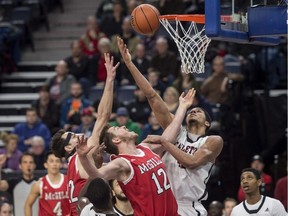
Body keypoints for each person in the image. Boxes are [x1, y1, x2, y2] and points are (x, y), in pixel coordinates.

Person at [117, 36, 223, 216]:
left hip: (189, 207)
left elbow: (191, 162)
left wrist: (164, 142)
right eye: (191, 110)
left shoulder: (213, 140)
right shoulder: (176, 131)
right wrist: (130, 64)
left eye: (198, 110)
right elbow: (151, 95)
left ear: (207, 122)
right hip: (163, 204)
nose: (193, 111)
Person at [50, 53, 119, 216]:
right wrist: (109, 80)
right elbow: (103, 117)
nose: (78, 134)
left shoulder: (71, 170)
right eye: (72, 136)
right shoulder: (81, 157)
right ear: (68, 147)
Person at [76, 125, 179, 216]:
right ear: (116, 140)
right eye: (118, 128)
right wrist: (83, 157)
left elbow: (168, 140)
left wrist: (183, 106)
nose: (124, 126)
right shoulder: (122, 162)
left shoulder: (145, 148)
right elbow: (97, 175)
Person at [24, 151, 70, 216]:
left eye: (57, 161)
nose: (54, 164)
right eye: (51, 161)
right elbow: (28, 205)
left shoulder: (68, 182)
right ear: (45, 164)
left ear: (60, 164)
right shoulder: (39, 184)